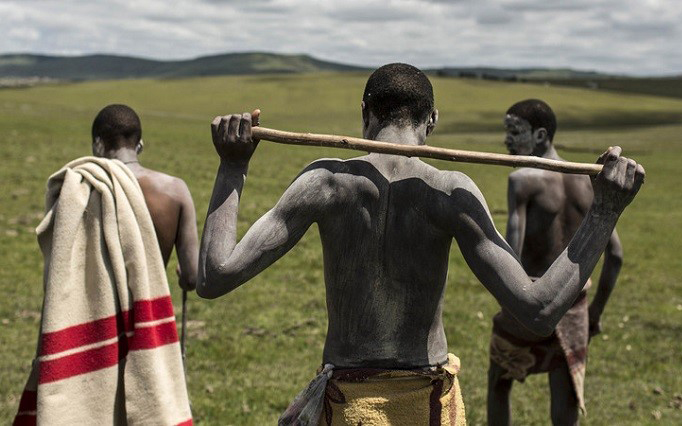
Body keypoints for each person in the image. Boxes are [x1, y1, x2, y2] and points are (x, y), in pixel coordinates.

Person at [197, 64, 644, 425]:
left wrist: (232, 168)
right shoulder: (452, 190)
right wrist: (604, 211)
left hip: (349, 406)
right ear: (431, 121)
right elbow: (540, 310)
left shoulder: (325, 182)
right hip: (429, 407)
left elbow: (215, 277)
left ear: (365, 112)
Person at [487, 99, 623, 425]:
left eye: (514, 131)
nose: (506, 140)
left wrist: (513, 305)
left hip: (527, 302)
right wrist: (593, 315)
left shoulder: (522, 180)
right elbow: (615, 255)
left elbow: (510, 255)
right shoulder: (589, 181)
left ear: (540, 135)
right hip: (574, 306)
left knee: (499, 384)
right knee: (565, 400)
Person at [92, 104, 198, 290]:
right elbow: (192, 278)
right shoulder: (176, 189)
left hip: (99, 313)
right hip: (149, 311)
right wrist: (184, 277)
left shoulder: (85, 187)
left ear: (97, 145)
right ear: (140, 145)